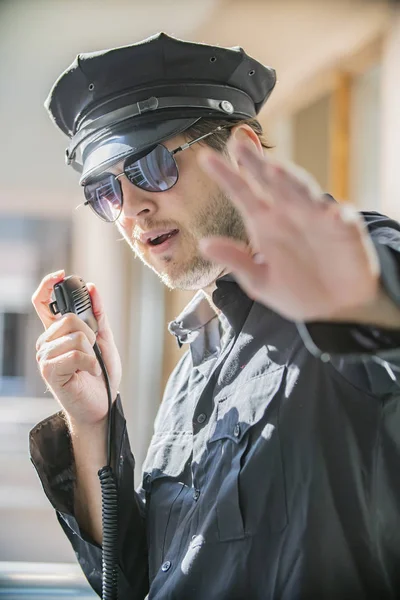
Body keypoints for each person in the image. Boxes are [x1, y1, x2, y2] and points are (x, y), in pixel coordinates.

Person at [30, 33, 400, 600]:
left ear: (242, 153)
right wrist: (92, 426)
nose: (132, 209)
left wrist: (361, 302)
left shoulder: (352, 274)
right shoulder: (197, 359)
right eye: (107, 193)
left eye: (152, 165)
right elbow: (138, 577)